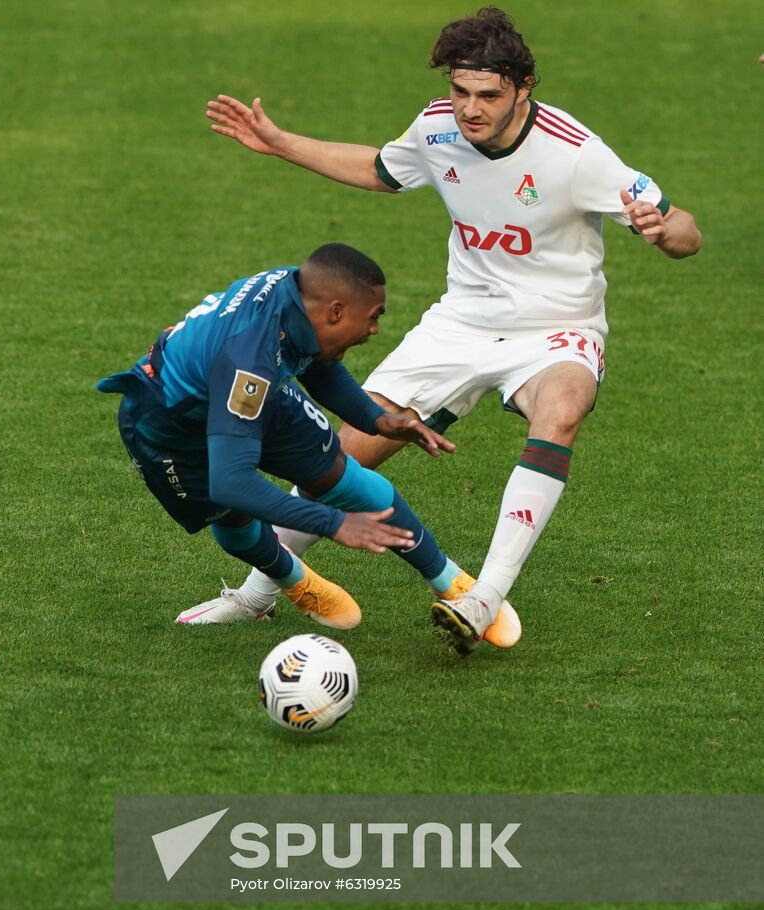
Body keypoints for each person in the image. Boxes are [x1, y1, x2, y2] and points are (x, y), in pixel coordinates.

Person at [199, 6, 700, 652]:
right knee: (342, 455)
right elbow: (381, 169)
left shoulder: (577, 154)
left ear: (523, 89)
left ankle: (482, 595)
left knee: (564, 408)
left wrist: (664, 234)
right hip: (460, 323)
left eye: (487, 95)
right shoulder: (437, 132)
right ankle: (259, 593)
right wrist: (281, 142)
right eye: (460, 91)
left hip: (557, 327)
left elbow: (686, 230)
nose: (470, 109)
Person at [97, 242, 516, 634]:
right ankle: (296, 582)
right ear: (335, 311)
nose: (373, 329)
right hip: (166, 425)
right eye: (373, 316)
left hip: (253, 388)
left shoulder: (295, 294)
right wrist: (333, 524)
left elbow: (315, 359)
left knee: (335, 473)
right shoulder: (250, 355)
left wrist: (376, 419)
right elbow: (232, 481)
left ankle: (452, 583)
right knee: (231, 516)